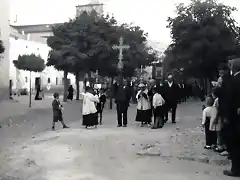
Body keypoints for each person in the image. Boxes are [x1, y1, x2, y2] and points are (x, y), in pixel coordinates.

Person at [223, 59, 240, 177]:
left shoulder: (234, 81)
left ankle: (235, 169)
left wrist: (227, 117)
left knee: (235, 144)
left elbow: (230, 101)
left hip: (235, 118)